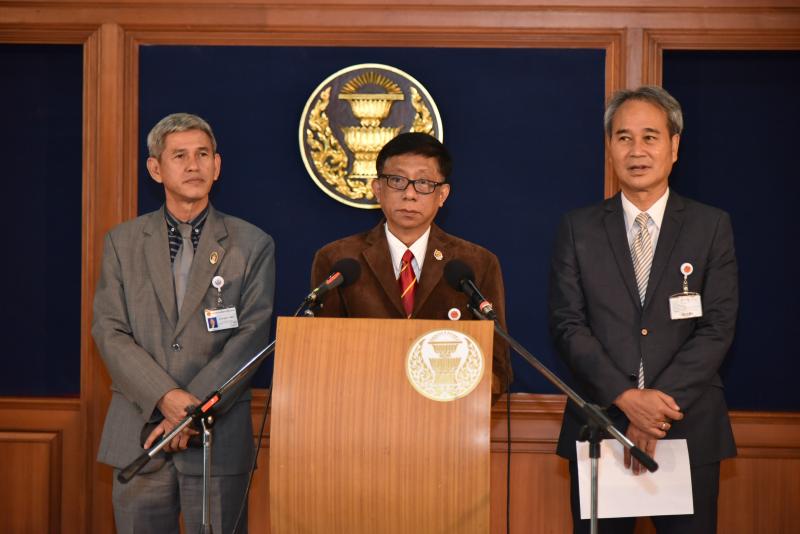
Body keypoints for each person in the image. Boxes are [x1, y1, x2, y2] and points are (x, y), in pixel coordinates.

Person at [549, 85, 738, 533]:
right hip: (601, 426)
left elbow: (718, 326)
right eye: (624, 137)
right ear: (609, 147)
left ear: (674, 146)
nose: (637, 150)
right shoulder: (577, 228)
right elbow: (568, 325)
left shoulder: (711, 226)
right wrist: (627, 398)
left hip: (687, 428)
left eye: (650, 137)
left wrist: (655, 410)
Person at [92, 113, 275, 533]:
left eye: (203, 154)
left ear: (217, 165)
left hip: (216, 440)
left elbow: (251, 337)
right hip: (139, 434)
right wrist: (166, 398)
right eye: (180, 156)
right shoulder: (122, 242)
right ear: (155, 168)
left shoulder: (253, 243)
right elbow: (109, 330)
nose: (194, 165)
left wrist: (190, 411)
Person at [310, 132, 513, 394]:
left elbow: (496, 365)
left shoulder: (476, 263)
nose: (409, 194)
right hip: (360, 406)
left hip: (445, 411)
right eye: (397, 180)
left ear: (442, 195)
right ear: (377, 189)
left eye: (424, 183)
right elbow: (320, 356)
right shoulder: (338, 260)